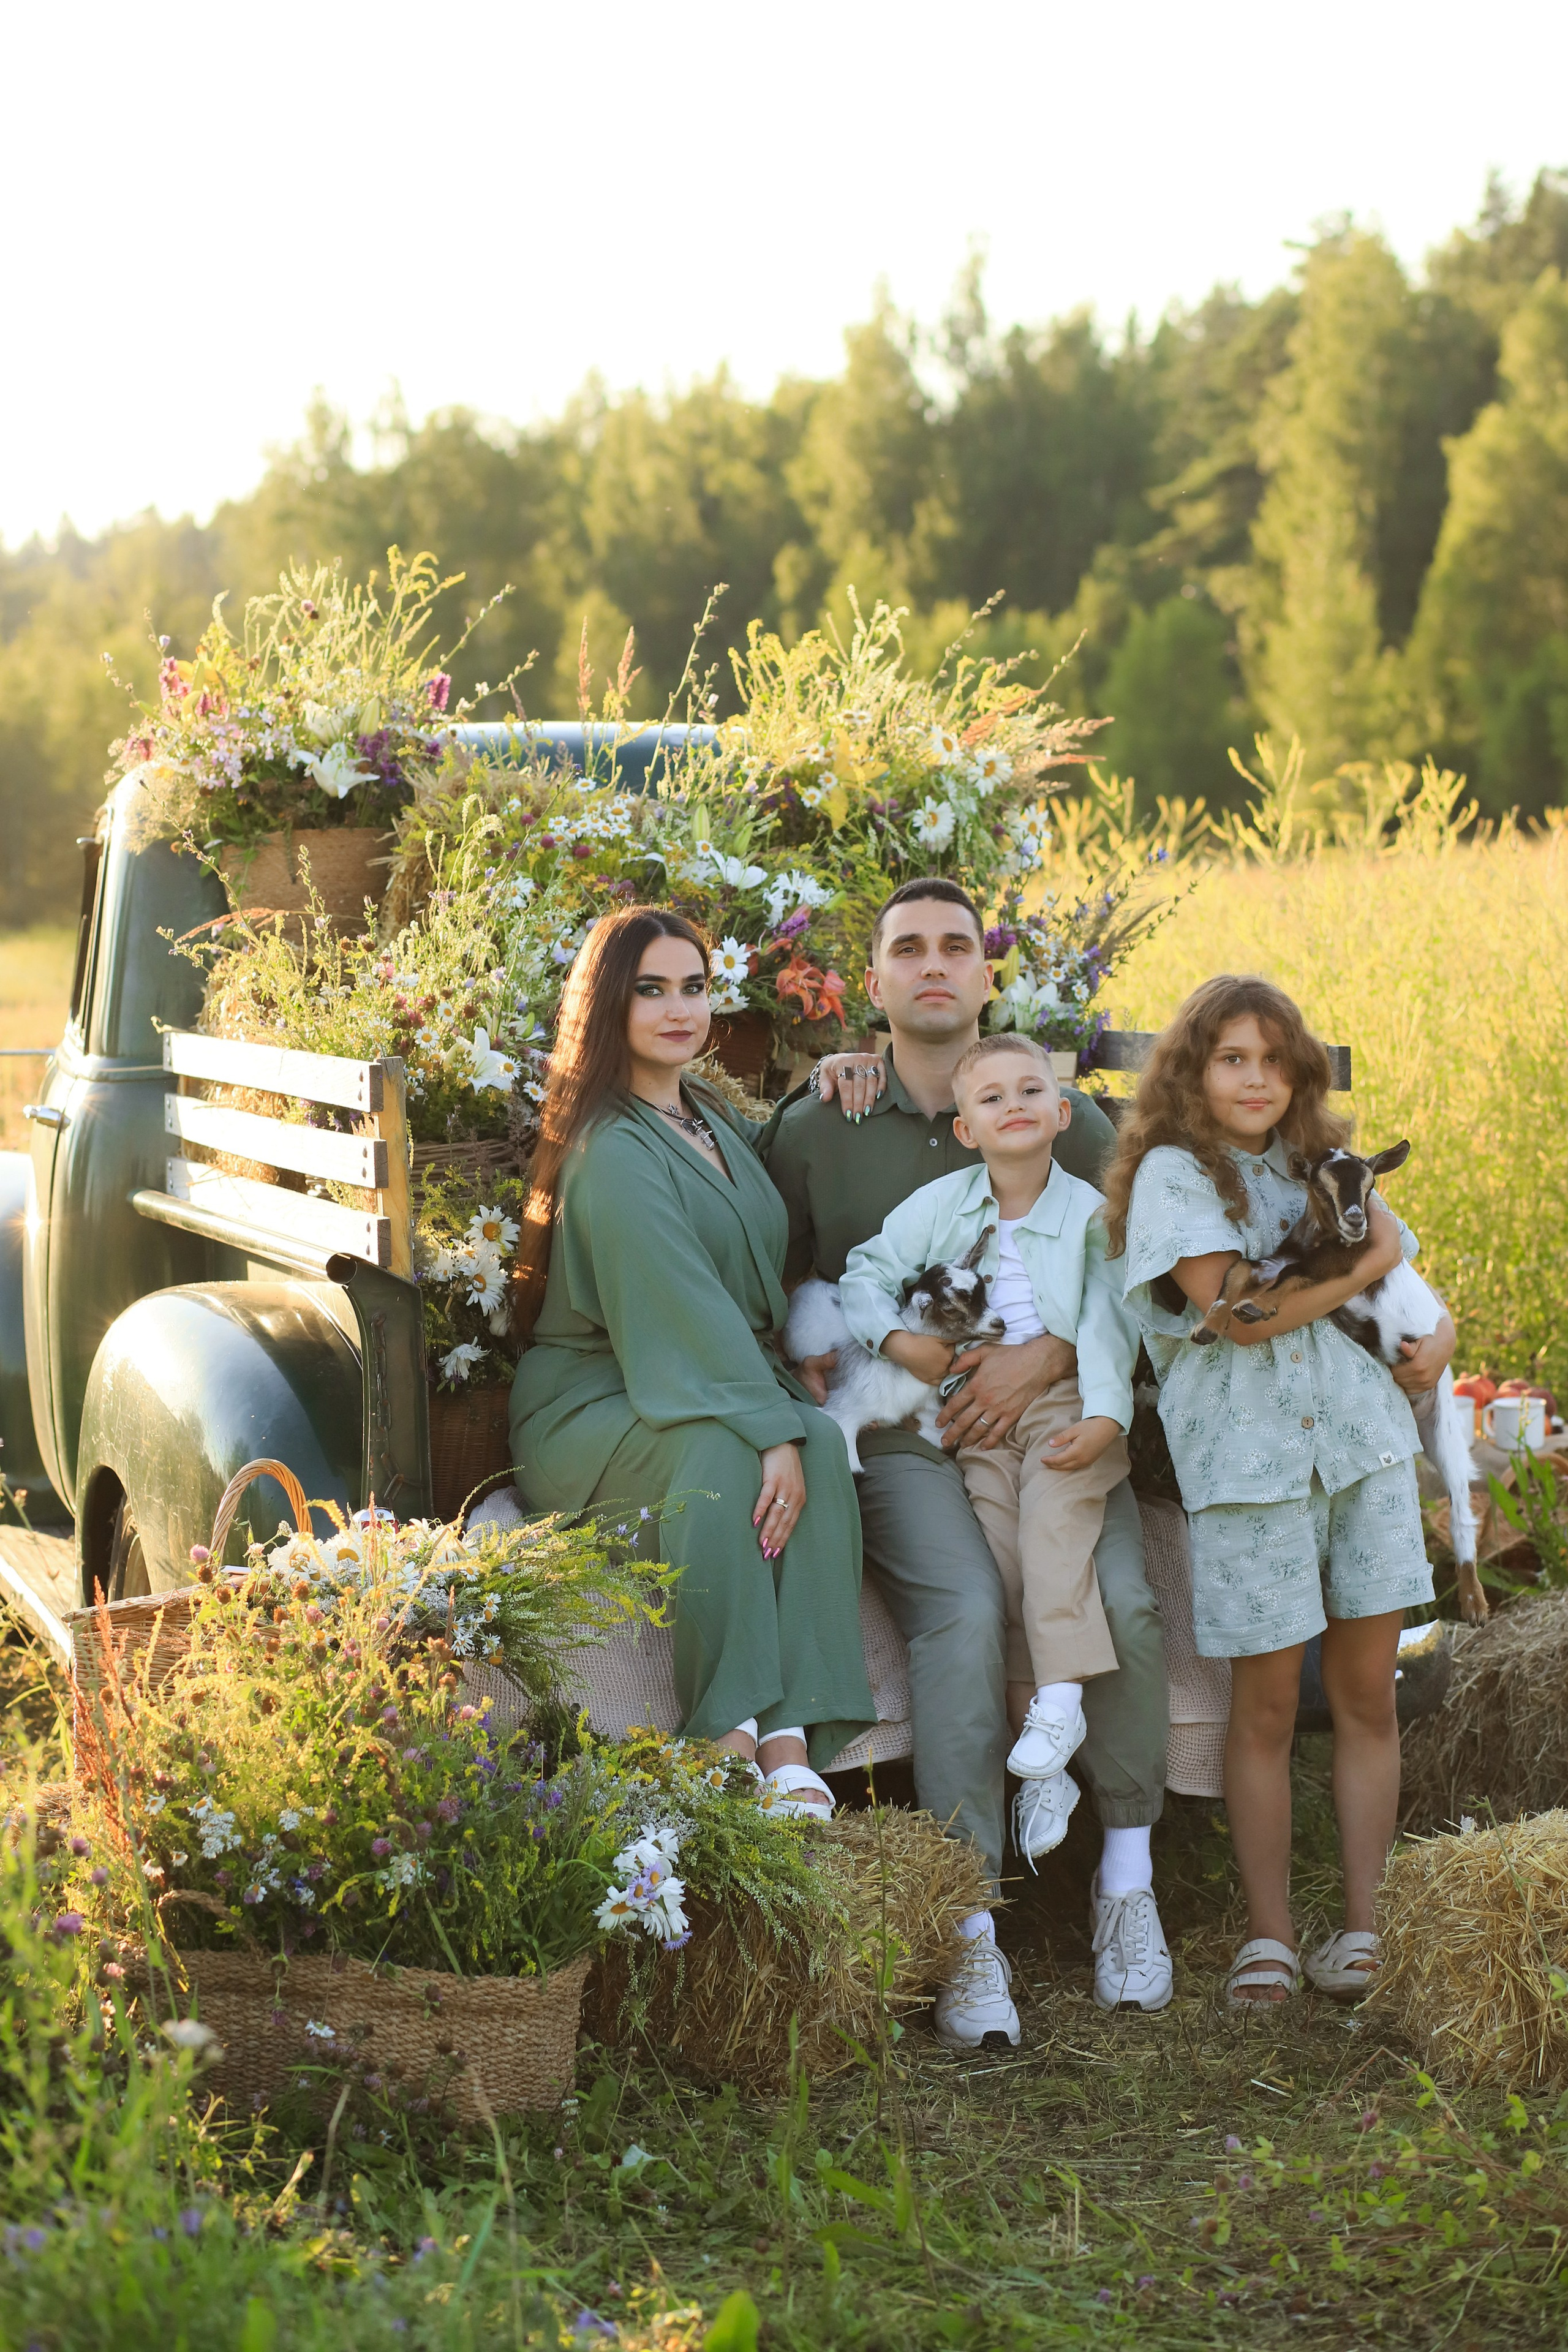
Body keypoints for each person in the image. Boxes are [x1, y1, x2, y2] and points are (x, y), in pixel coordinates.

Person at [762, 878, 1172, 2045]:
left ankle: (1128, 1884)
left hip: (1047, 1426)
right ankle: (969, 1927)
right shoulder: (817, 1124)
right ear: (876, 984)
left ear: (987, 977)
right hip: (902, 1432)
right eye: (908, 950)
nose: (933, 964)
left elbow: (1123, 1276)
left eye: (957, 946)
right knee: (962, 1608)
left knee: (1131, 1607)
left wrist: (1045, 1361)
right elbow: (778, 1279)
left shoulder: (1066, 1119)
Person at [1104, 974, 1453, 2006]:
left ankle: (1364, 1927)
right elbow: (1242, 1314)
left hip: (1364, 1453)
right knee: (1259, 1710)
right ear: (1193, 1073)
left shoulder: (1320, 1166)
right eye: (1230, 1058)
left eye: (1272, 1058)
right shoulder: (1176, 1177)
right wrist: (1370, 1256)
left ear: (1297, 1071)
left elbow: (1407, 1291)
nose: (1255, 1078)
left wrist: (1440, 1338)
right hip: (1251, 1477)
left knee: (1364, 1698)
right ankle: (1268, 1933)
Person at [511, 906, 875, 1811]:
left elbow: (762, 1211)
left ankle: (791, 1743)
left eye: (695, 987)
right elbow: (680, 1310)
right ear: (608, 1006)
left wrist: (833, 1075)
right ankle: (724, 1737)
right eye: (651, 990)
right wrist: (769, 1424)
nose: (680, 1009)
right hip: (598, 1397)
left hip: (693, 1374)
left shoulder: (705, 1114)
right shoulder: (613, 1150)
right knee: (725, 1457)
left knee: (825, 1449)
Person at [838, 1029, 1140, 1867]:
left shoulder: (1088, 1214)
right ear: (966, 1127)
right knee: (1000, 1551)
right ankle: (1045, 1769)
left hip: (1067, 1405)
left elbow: (1112, 1326)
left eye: (1029, 1091)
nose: (1013, 1105)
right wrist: (900, 1343)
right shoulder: (942, 1206)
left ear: (1062, 1110)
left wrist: (1108, 1417)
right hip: (972, 1416)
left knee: (1052, 1525)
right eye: (991, 1097)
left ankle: (1063, 1700)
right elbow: (866, 1274)